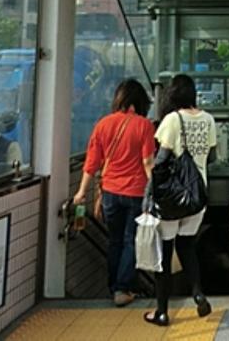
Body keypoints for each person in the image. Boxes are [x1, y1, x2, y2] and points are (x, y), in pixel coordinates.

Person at [145, 74, 217, 327]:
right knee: (187, 247)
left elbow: (161, 160)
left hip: (172, 198)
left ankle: (162, 312)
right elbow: (212, 157)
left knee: (164, 254)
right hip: (197, 196)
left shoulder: (172, 120)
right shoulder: (208, 119)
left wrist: (149, 194)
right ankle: (198, 294)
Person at [75, 79, 155, 307]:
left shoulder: (103, 124)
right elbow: (147, 162)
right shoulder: (144, 125)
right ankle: (122, 288)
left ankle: (114, 287)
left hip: (110, 192)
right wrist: (155, 190)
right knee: (131, 240)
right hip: (136, 192)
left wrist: (81, 192)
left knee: (115, 241)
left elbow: (92, 163)